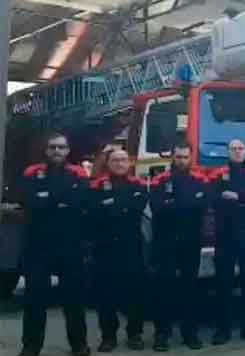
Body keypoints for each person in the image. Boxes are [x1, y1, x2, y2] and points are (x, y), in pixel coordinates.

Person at [18, 133, 90, 356]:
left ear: (68, 151)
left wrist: (47, 199)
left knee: (74, 299)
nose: (57, 151)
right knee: (35, 299)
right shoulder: (32, 172)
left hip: (71, 244)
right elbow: (29, 201)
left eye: (61, 147)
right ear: (46, 150)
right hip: (38, 246)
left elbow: (81, 202)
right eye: (53, 147)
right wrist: (61, 200)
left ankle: (78, 345)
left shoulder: (78, 172)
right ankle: (31, 346)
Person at [149, 143, 209, 351]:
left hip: (190, 243)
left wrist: (174, 203)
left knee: (189, 288)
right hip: (165, 243)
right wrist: (188, 203)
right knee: (163, 288)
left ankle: (189, 334)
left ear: (190, 158)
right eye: (178, 157)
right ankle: (162, 334)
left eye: (185, 157)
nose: (182, 160)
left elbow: (203, 204)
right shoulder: (160, 179)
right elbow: (157, 207)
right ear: (172, 157)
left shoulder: (200, 180)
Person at [89, 149, 149, 351]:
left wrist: (111, 205)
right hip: (104, 248)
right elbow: (94, 211)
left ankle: (135, 334)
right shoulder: (96, 185)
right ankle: (108, 337)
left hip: (131, 247)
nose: (119, 163)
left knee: (136, 294)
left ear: (130, 163)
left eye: (123, 160)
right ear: (108, 163)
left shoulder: (139, 185)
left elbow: (136, 207)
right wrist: (118, 206)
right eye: (115, 160)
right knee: (105, 294)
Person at [209, 139, 245, 345]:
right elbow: (213, 197)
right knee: (223, 283)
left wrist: (235, 197)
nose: (237, 152)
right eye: (233, 149)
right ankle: (222, 330)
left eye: (241, 148)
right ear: (228, 152)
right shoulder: (217, 174)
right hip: (225, 236)